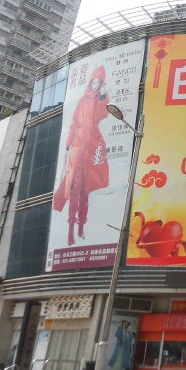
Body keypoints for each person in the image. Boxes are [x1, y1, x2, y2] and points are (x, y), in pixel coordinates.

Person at [53, 66, 110, 246]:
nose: (95, 84)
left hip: (91, 147)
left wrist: (104, 95)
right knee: (74, 190)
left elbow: (103, 114)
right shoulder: (82, 100)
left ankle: (81, 227)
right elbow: (73, 123)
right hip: (77, 150)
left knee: (85, 190)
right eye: (93, 81)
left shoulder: (100, 100)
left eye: (98, 82)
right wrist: (68, 145)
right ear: (90, 82)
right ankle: (71, 228)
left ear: (101, 84)